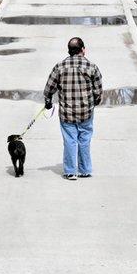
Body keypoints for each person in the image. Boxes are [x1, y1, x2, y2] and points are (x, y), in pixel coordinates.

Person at [43, 37, 103, 180]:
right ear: (83, 50)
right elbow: (98, 90)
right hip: (86, 112)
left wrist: (48, 101)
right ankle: (85, 170)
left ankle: (70, 172)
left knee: (70, 140)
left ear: (69, 51)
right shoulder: (91, 66)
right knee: (84, 139)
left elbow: (49, 88)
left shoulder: (60, 66)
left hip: (66, 112)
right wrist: (95, 102)